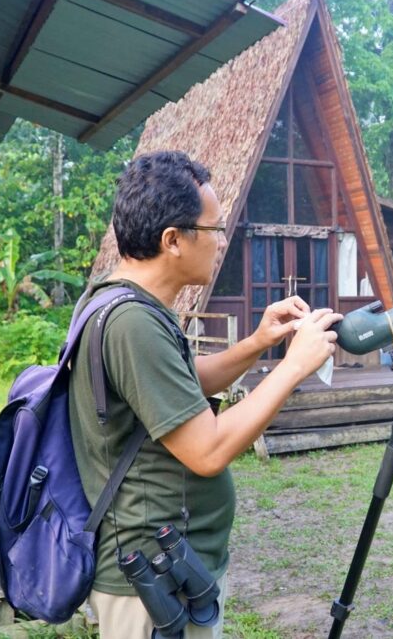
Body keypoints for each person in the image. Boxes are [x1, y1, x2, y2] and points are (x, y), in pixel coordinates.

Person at [68, 150, 342, 638]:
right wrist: (294, 367)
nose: (222, 242)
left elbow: (178, 382)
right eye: (214, 230)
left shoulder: (117, 299)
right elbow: (208, 450)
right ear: (172, 239)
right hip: (154, 581)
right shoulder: (133, 323)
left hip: (170, 568)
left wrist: (259, 343)